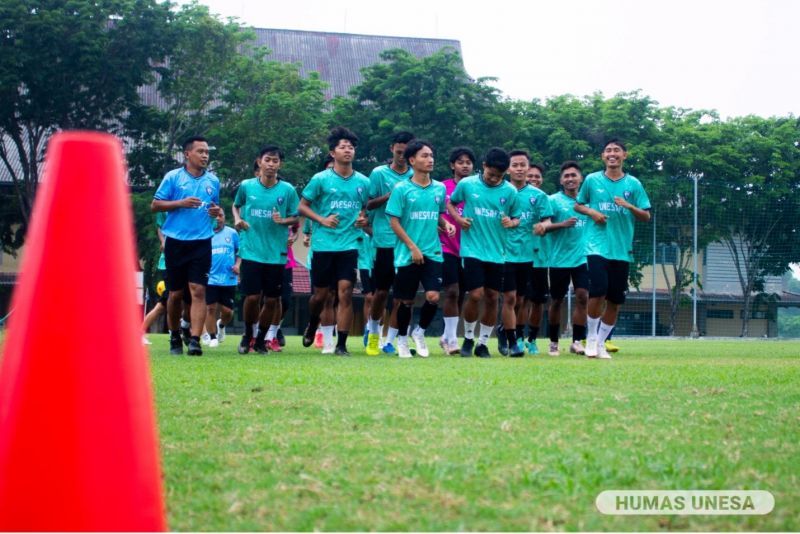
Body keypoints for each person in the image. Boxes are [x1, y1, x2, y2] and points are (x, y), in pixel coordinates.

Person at [575, 139, 651, 359]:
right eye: (608, 151)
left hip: (621, 249)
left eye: (616, 150)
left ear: (624, 155)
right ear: (603, 156)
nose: (612, 154)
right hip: (597, 245)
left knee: (615, 300)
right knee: (598, 290)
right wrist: (593, 213)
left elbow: (646, 215)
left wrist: (629, 206)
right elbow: (578, 204)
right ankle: (590, 339)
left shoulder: (634, 184)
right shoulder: (592, 180)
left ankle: (601, 343)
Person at [299, 126, 370, 356]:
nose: (347, 150)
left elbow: (365, 210)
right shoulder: (320, 179)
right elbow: (301, 206)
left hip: (349, 245)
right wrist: (321, 219)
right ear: (333, 153)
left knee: (346, 291)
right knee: (321, 296)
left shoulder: (363, 182)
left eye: (351, 147)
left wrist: (362, 220)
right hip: (323, 245)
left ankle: (341, 344)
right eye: (343, 147)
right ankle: (312, 323)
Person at [151, 136, 222, 356]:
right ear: (187, 154)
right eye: (200, 151)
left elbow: (215, 209)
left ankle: (194, 340)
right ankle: (174, 335)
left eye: (207, 152)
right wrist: (179, 203)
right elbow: (155, 205)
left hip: (201, 242)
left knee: (199, 290)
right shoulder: (173, 177)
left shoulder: (213, 181)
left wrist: (215, 212)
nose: (205, 156)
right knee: (175, 294)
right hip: (176, 243)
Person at [448, 147, 520, 358]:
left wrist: (511, 222)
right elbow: (451, 204)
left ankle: (483, 343)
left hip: (497, 252)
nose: (493, 179)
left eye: (498, 176)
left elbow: (517, 218)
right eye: (490, 174)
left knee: (492, 297)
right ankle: (468, 338)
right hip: (472, 250)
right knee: (476, 294)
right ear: (484, 167)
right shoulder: (467, 184)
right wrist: (459, 220)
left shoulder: (510, 192)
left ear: (505, 173)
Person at [385, 140, 455, 358]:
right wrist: (412, 247)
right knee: (405, 301)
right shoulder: (402, 189)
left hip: (433, 251)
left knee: (433, 297)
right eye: (424, 156)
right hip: (408, 254)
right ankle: (403, 341)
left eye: (432, 155)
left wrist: (446, 224)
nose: (430, 159)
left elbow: (438, 214)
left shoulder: (439, 188)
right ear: (412, 160)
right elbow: (394, 222)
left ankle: (420, 332)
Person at [232, 145, 300, 354]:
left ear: (280, 164)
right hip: (251, 250)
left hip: (276, 254)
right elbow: (236, 205)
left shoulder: (287, 190)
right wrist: (237, 220)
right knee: (251, 297)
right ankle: (248, 335)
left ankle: (262, 339)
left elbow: (296, 216)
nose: (271, 165)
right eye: (268, 160)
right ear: (259, 161)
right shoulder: (246, 186)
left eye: (275, 161)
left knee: (272, 299)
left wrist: (283, 221)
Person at [364, 131, 415, 356]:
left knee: (404, 297)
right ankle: (373, 330)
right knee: (382, 292)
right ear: (392, 149)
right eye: (399, 151)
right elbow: (369, 204)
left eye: (407, 152)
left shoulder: (418, 175)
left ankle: (391, 340)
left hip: (408, 242)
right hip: (384, 239)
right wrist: (391, 195)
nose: (402, 156)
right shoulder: (379, 173)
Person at [501, 150, 552, 357]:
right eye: (515, 165)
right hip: (502, 254)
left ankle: (513, 334)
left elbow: (548, 219)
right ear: (508, 169)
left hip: (528, 255)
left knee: (521, 300)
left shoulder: (538, 196)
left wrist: (543, 225)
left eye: (523, 165)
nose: (520, 169)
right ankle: (512, 341)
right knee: (510, 298)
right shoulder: (500, 191)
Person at [546, 161, 590, 356]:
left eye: (574, 175)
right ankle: (553, 342)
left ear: (581, 178)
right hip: (559, 259)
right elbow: (544, 226)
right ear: (561, 180)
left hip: (583, 258)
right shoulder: (553, 200)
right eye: (566, 176)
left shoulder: (589, 202)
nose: (570, 179)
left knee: (583, 297)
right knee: (556, 301)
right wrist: (562, 224)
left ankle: (577, 341)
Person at [438, 147, 475, 355]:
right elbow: (433, 212)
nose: (465, 165)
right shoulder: (442, 188)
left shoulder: (477, 188)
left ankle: (446, 334)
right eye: (460, 161)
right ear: (453, 165)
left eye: (468, 162)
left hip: (469, 248)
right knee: (451, 291)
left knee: (461, 293)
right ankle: (451, 340)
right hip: (446, 247)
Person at [520, 163, 550, 354]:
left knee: (538, 301)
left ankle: (532, 339)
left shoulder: (543, 199)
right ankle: (515, 335)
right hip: (517, 257)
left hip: (540, 258)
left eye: (537, 176)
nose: (533, 179)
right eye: (530, 175)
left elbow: (549, 221)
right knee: (519, 299)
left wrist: (544, 225)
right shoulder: (512, 196)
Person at [204, 209, 240, 348]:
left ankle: (221, 325)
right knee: (211, 308)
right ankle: (212, 337)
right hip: (210, 278)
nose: (218, 218)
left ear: (224, 217)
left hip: (228, 279)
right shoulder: (205, 234)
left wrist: (237, 265)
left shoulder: (232, 233)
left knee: (228, 311)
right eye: (215, 216)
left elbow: (240, 252)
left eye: (220, 215)